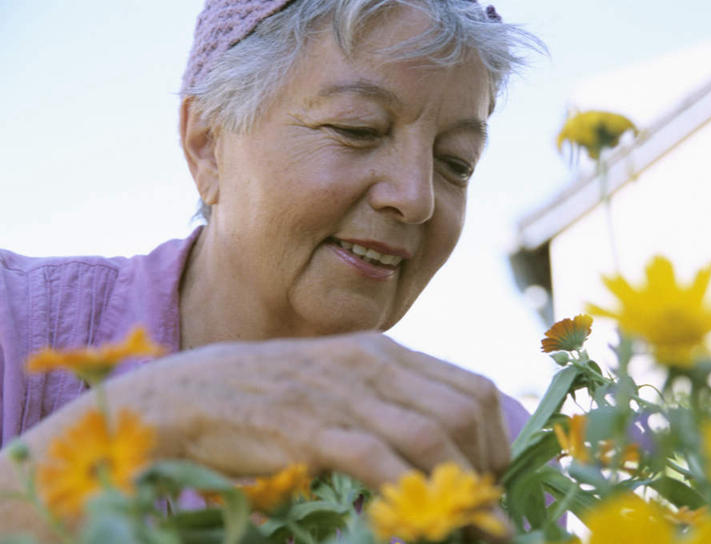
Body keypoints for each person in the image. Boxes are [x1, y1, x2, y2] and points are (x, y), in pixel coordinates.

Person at [0, 0, 543, 537]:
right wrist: (169, 413)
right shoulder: (16, 327)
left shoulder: (497, 445)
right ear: (208, 144)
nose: (416, 198)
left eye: (455, 163)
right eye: (358, 129)